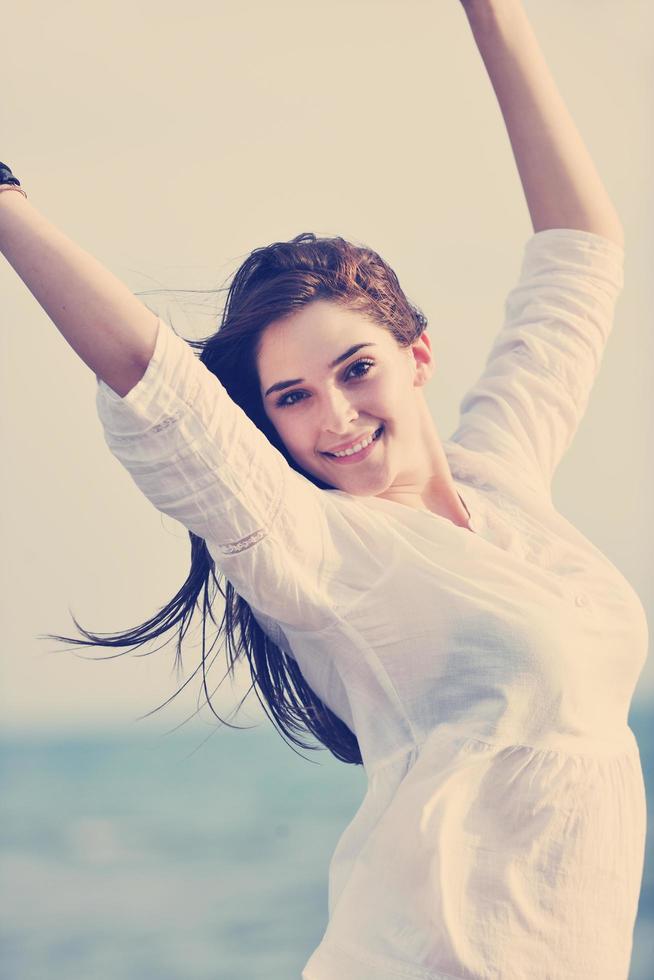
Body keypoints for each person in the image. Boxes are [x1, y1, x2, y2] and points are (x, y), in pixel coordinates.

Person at [1, 1, 647, 977]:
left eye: (355, 369)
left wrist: (495, 17)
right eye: (293, 398)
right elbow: (155, 378)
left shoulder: (503, 479)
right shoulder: (325, 549)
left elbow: (580, 251)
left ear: (417, 351)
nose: (334, 417)